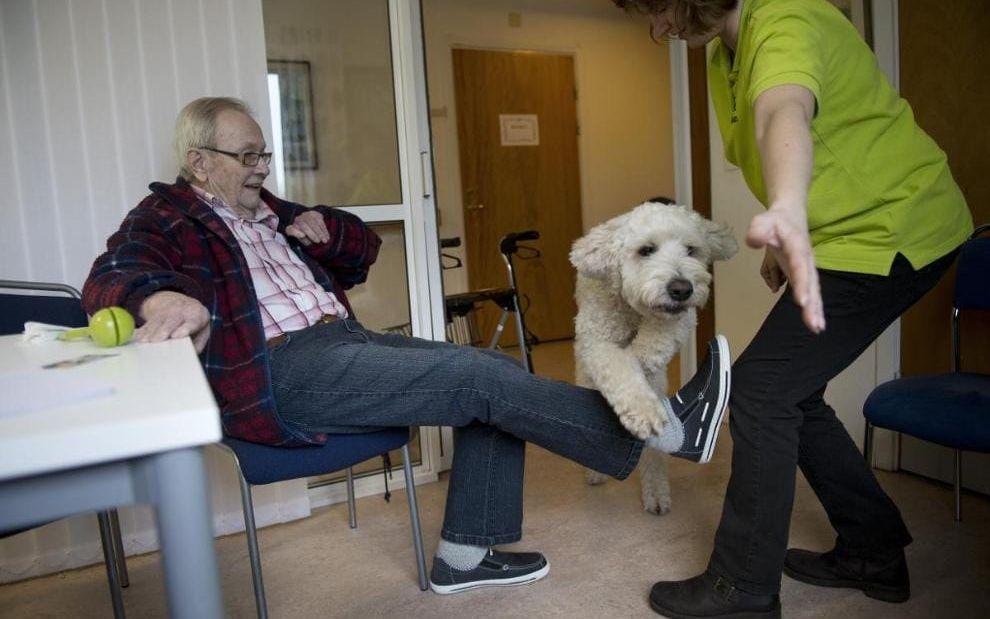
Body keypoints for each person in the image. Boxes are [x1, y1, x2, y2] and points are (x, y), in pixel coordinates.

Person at [82, 96, 731, 595]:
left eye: (264, 156)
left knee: (488, 368)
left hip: (342, 341)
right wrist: (158, 300)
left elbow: (362, 251)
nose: (260, 169)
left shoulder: (273, 213)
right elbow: (111, 274)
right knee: (476, 381)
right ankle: (666, 431)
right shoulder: (168, 217)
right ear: (200, 162)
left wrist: (326, 228)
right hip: (280, 368)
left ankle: (465, 555)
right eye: (247, 157)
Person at [613, 0, 974, 617]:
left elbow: (786, 109)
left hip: (893, 229)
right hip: (854, 235)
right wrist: (792, 230)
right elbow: (771, 135)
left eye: (661, 6)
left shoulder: (786, 18)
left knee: (760, 391)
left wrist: (787, 211)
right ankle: (873, 551)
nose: (658, 28)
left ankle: (742, 589)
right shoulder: (723, 53)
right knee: (790, 392)